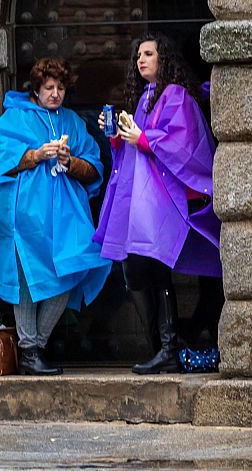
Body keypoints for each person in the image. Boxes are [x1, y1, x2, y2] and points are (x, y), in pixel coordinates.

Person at [94, 32, 221, 375]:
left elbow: (181, 143)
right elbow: (136, 148)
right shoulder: (146, 97)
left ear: (163, 58)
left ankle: (168, 346)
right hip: (148, 199)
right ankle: (168, 344)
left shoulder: (176, 94)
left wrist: (143, 138)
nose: (141, 60)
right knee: (142, 266)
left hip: (166, 199)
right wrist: (118, 136)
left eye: (148, 54)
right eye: (138, 55)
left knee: (153, 265)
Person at [0, 57, 112, 376]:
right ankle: (30, 352)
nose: (55, 94)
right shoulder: (14, 120)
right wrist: (34, 155)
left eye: (61, 88)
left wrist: (70, 161)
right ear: (35, 90)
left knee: (72, 271)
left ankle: (33, 346)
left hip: (66, 220)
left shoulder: (73, 123)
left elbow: (94, 168)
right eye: (48, 88)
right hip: (25, 219)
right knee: (25, 281)